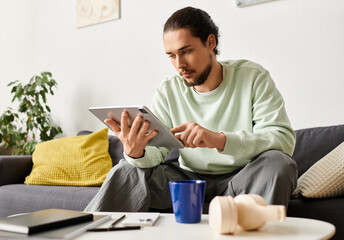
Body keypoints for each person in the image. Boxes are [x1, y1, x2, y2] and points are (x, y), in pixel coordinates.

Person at [85, 6, 297, 212]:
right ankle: (85, 233)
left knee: (278, 163)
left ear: (210, 42)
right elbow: (156, 152)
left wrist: (220, 139)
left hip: (243, 178)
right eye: (172, 55)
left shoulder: (253, 77)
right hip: (186, 183)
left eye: (186, 51)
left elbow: (283, 140)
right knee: (127, 169)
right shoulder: (169, 89)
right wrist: (136, 152)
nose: (179, 65)